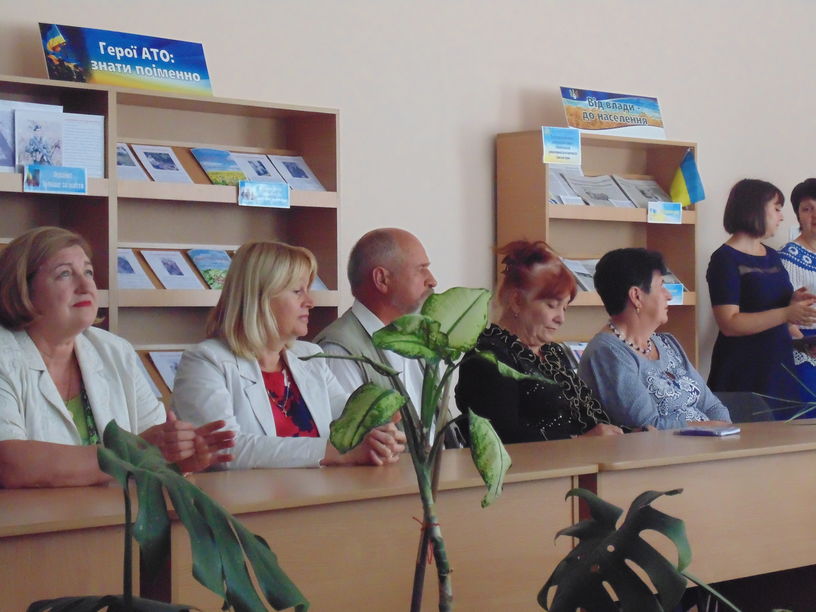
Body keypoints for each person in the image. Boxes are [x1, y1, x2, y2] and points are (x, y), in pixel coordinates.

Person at [0, 227, 234, 489]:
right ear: (22, 289)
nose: (86, 286)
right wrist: (131, 452)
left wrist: (182, 458)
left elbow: (155, 448)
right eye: (65, 274)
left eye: (88, 272)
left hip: (110, 513)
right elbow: (10, 463)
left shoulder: (115, 351)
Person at [172, 240, 405, 469]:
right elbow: (225, 449)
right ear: (260, 298)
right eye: (297, 291)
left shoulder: (311, 356)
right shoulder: (205, 361)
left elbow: (350, 420)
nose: (310, 302)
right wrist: (336, 453)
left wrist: (379, 436)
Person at [455, 241, 622, 443]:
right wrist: (580, 441)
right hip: (534, 464)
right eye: (552, 305)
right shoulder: (488, 357)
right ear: (517, 301)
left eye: (565, 308)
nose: (561, 318)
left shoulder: (553, 353)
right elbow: (501, 438)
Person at [314, 228, 457, 442]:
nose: (432, 280)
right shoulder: (339, 351)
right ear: (381, 279)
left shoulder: (420, 340)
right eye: (421, 269)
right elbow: (354, 446)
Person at [578, 248, 732, 429]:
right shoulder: (607, 353)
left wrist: (725, 432)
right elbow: (648, 427)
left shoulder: (667, 343)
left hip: (708, 441)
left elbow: (712, 406)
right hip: (664, 447)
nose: (669, 295)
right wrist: (711, 429)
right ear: (636, 296)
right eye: (661, 286)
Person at [706, 179, 816, 408]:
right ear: (754, 208)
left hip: (779, 366)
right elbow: (729, 323)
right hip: (743, 369)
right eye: (776, 209)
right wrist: (787, 313)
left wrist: (794, 303)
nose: (782, 217)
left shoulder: (771, 255)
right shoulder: (724, 259)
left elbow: (771, 306)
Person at [779, 178, 816, 404]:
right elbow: (781, 313)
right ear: (798, 215)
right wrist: (804, 343)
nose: (815, 215)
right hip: (804, 346)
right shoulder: (786, 257)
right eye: (807, 209)